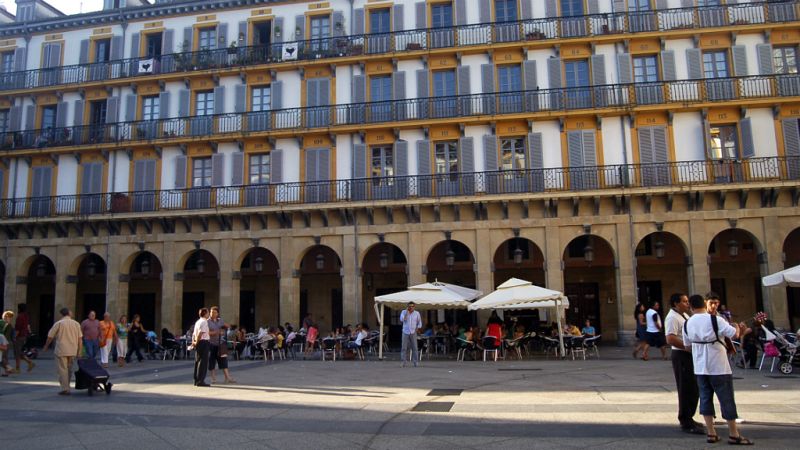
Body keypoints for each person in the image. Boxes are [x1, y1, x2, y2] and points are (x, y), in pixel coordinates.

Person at [683, 295, 753, 445]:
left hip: (700, 367)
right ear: (704, 304)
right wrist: (737, 327)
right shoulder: (716, 320)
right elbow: (734, 334)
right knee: (726, 399)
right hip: (719, 366)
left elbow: (687, 346)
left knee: (705, 398)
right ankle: (733, 434)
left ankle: (711, 433)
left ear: (691, 307)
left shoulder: (687, 323)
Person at [665, 293, 704, 435]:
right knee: (686, 387)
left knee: (693, 387)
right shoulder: (672, 318)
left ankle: (689, 416)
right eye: (684, 301)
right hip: (681, 355)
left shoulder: (684, 315)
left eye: (688, 301)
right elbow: (670, 338)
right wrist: (687, 347)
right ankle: (685, 420)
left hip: (688, 354)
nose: (688, 304)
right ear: (676, 303)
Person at [42, 308, 83, 395]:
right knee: (69, 369)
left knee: (62, 369)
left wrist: (46, 346)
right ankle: (67, 386)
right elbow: (80, 339)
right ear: (68, 313)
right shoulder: (76, 324)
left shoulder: (59, 323)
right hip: (72, 350)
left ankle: (65, 388)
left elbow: (50, 336)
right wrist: (79, 351)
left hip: (61, 350)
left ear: (62, 314)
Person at [207, 306, 235, 384]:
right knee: (212, 361)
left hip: (220, 344)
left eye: (214, 312)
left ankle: (227, 377)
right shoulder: (207, 322)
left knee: (223, 360)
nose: (212, 314)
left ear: (217, 313)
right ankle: (213, 378)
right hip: (211, 344)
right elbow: (206, 333)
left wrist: (229, 329)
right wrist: (216, 332)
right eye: (211, 312)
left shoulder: (220, 321)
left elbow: (227, 327)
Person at [191, 308, 211, 387]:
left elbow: (194, 333)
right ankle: (200, 381)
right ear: (205, 313)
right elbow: (200, 333)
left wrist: (194, 342)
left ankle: (196, 380)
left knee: (198, 360)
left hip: (199, 342)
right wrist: (197, 341)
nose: (209, 314)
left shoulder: (198, 321)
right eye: (208, 313)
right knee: (203, 362)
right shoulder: (204, 322)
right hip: (203, 342)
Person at [399, 301, 422, 367]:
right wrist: (407, 312)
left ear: (414, 307)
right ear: (407, 307)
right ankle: (403, 362)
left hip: (413, 332)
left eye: (412, 306)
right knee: (404, 347)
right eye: (410, 306)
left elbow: (419, 323)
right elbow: (402, 319)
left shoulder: (417, 313)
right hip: (405, 332)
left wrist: (417, 328)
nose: (411, 307)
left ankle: (415, 362)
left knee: (415, 347)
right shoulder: (404, 312)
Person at [14, 304, 35, 373]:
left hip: (19, 336)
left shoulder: (20, 316)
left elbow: (18, 328)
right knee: (19, 352)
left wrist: (14, 336)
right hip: (24, 335)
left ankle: (18, 368)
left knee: (17, 353)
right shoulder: (26, 316)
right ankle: (30, 362)